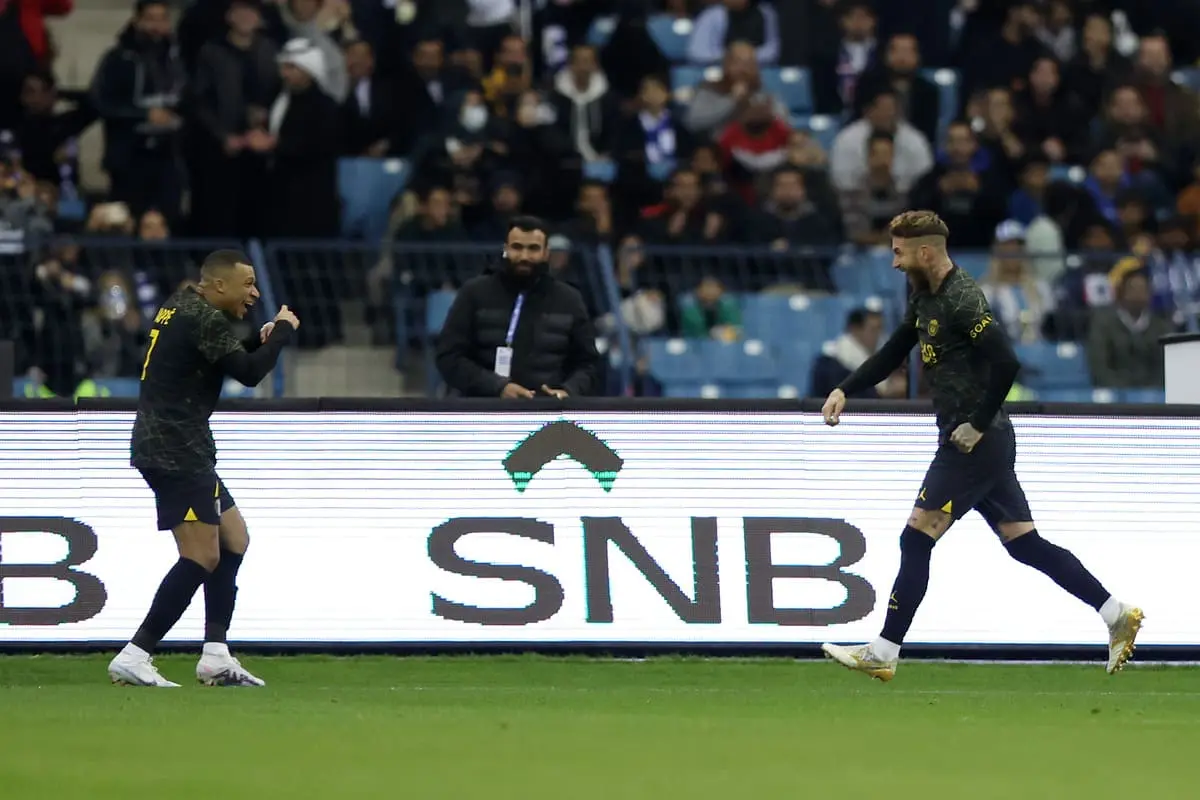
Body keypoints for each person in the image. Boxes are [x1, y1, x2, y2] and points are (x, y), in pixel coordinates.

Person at [818, 210, 1143, 682]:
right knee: (1024, 543)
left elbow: (1006, 362)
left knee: (916, 537)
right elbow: (893, 351)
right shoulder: (924, 295)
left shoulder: (963, 298)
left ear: (924, 251)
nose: (894, 262)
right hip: (979, 439)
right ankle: (1116, 613)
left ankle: (884, 651)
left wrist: (976, 423)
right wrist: (845, 388)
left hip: (973, 441)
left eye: (899, 253)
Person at [108, 250, 299, 688]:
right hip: (175, 448)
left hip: (179, 444)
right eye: (247, 284)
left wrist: (262, 342)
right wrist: (282, 333)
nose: (255, 293)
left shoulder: (181, 305)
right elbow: (248, 375)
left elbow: (225, 359)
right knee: (201, 555)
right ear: (218, 285)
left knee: (234, 539)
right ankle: (135, 654)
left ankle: (215, 655)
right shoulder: (204, 318)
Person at [435, 216, 601, 399]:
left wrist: (567, 391)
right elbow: (449, 357)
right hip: (485, 409)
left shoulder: (569, 299)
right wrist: (497, 387)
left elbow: (589, 364)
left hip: (548, 410)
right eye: (517, 247)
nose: (524, 256)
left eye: (533, 249)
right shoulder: (474, 293)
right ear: (505, 249)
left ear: (546, 253)